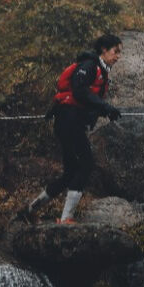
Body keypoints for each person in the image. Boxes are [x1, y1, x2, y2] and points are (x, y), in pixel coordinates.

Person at [23, 33, 123, 224]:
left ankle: (31, 208)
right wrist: (104, 106)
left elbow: (87, 99)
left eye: (119, 53)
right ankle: (66, 219)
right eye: (115, 51)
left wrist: (105, 111)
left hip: (69, 120)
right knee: (86, 165)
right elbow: (80, 91)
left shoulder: (100, 69)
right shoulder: (90, 65)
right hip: (68, 120)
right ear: (103, 49)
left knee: (71, 172)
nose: (118, 56)